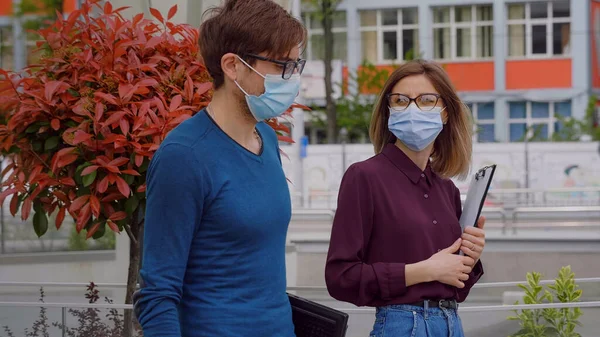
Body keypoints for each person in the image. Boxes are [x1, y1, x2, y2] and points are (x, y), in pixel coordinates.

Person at [133, 1, 306, 336]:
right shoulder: (184, 156)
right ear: (232, 66)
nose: (293, 78)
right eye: (282, 65)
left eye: (296, 65)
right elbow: (157, 294)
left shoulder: (266, 138)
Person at [325, 60, 486, 337]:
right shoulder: (364, 177)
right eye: (400, 100)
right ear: (388, 110)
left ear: (445, 113)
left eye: (426, 100)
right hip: (402, 325)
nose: (412, 109)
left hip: (450, 324)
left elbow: (456, 290)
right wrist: (423, 271)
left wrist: (468, 261)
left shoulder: (446, 188)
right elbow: (341, 278)